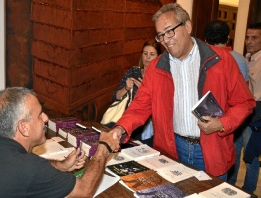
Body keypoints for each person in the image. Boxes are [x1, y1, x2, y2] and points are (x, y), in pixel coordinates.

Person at [110, 3, 255, 180]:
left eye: (170, 31)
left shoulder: (221, 60)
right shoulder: (156, 67)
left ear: (187, 26)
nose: (166, 40)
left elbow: (245, 102)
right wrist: (121, 127)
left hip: (210, 149)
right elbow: (140, 105)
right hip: (171, 149)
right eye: (160, 35)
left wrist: (222, 123)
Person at [0, 87, 120, 197]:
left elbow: (27, 171)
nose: (46, 118)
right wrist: (103, 149)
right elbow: (84, 191)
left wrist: (62, 165)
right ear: (24, 127)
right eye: (39, 115)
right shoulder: (29, 167)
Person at [203, 19, 255, 189]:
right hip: (234, 118)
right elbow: (245, 91)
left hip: (207, 122)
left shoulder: (201, 59)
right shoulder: (239, 59)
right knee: (236, 152)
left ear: (205, 39)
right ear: (228, 37)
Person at [107, 40, 161, 146]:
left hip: (147, 128)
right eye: (145, 53)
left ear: (158, 57)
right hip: (126, 121)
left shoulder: (160, 78)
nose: (148, 57)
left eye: (152, 54)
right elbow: (115, 96)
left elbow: (160, 106)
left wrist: (145, 91)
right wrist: (126, 88)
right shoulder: (133, 72)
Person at [241, 22, 261, 194]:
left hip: (256, 116)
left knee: (250, 157)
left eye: (254, 38)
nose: (249, 41)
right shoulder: (248, 57)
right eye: (248, 37)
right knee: (239, 154)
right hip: (245, 113)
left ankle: (248, 192)